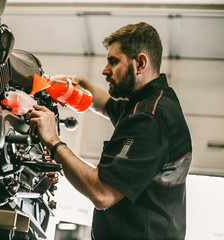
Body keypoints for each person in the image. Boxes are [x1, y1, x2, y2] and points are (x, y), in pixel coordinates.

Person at [28, 22, 192, 240]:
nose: (105, 71)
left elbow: (102, 193)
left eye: (113, 62)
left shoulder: (149, 118)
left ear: (140, 63)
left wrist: (53, 141)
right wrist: (79, 85)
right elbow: (106, 104)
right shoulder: (152, 100)